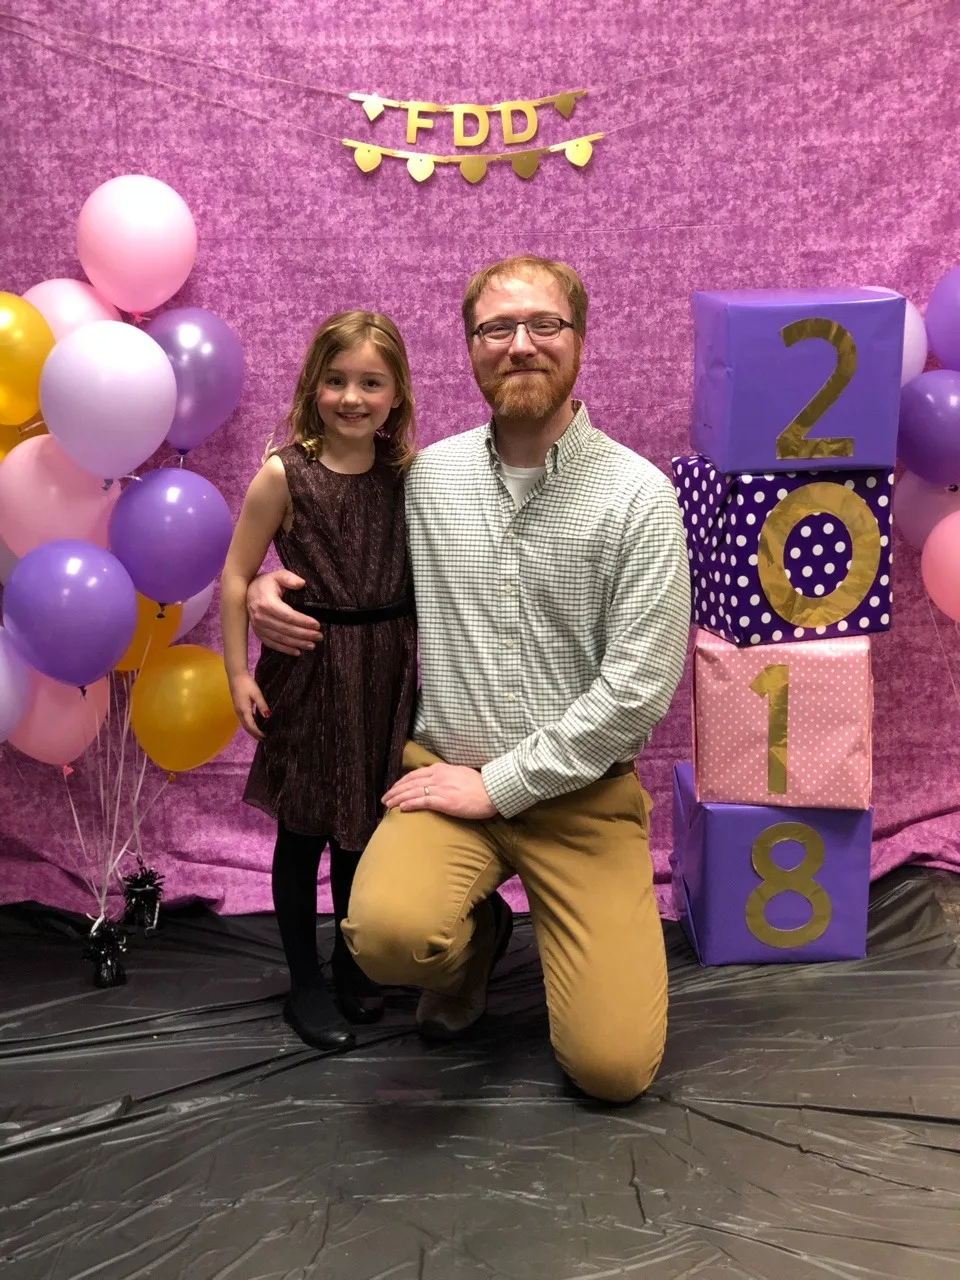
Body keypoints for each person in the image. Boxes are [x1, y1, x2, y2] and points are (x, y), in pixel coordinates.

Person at [246, 257, 690, 1101]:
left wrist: (500, 786)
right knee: (382, 938)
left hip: (579, 798)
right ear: (471, 350)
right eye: (496, 329)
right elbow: (340, 547)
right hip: (441, 782)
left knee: (613, 1072)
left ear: (581, 342)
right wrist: (270, 582)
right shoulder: (424, 480)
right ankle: (472, 939)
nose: (520, 345)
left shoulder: (639, 497)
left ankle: (521, 935)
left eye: (544, 325)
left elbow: (637, 694)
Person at [221, 310, 418, 1052]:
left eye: (371, 382)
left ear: (396, 393)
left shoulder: (407, 475)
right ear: (313, 385)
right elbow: (239, 574)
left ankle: (352, 965)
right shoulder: (284, 473)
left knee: (361, 830)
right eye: (336, 380)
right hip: (309, 667)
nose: (351, 397)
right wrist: (239, 670)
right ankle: (304, 982)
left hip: (386, 668)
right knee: (304, 828)